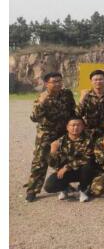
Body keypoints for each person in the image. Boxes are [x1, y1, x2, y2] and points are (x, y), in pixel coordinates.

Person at [25, 72, 76, 202]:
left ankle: (64, 185)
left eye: (59, 81)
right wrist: (41, 103)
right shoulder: (42, 97)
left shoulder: (66, 94)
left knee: (63, 159)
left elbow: (72, 111)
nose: (58, 84)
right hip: (46, 133)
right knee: (40, 160)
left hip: (63, 131)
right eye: (54, 82)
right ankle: (32, 190)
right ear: (47, 84)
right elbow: (34, 118)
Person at [44, 117, 95, 203]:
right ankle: (65, 188)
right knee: (49, 186)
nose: (76, 127)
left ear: (83, 127)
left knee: (88, 166)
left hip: (82, 171)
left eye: (78, 125)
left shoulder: (88, 140)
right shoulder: (60, 142)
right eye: (73, 125)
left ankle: (83, 190)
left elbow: (87, 158)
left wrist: (67, 167)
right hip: (66, 173)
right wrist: (53, 152)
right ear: (67, 127)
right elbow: (53, 164)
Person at [77, 70, 104, 139]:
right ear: (91, 81)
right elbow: (78, 114)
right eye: (95, 80)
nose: (98, 82)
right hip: (90, 132)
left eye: (100, 79)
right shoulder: (86, 95)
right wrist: (82, 98)